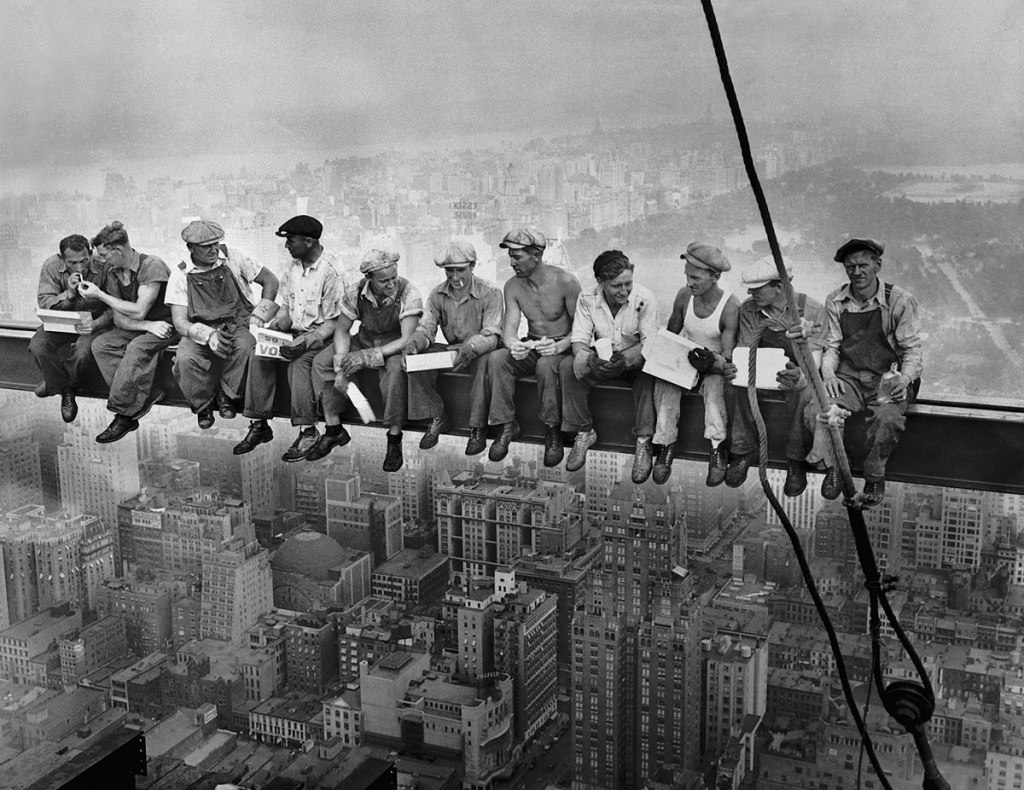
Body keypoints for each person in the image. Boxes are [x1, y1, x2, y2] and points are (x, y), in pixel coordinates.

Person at [806, 238, 923, 507]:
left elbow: (912, 350)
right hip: (850, 377)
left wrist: (904, 380)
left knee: (887, 420)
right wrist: (829, 375)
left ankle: (874, 476)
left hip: (888, 379)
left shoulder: (898, 301)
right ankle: (835, 466)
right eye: (850, 267)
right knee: (823, 409)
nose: (857, 272)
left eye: (862, 265)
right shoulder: (836, 300)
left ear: (877, 265)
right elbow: (832, 346)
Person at [234, 215, 341, 462]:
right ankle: (259, 424)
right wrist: (274, 327)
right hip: (295, 332)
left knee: (299, 364)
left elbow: (335, 321)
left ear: (309, 241)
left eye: (291, 241)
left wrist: (306, 341)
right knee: (259, 354)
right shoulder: (292, 268)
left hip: (322, 338)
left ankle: (308, 430)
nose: (287, 246)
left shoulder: (331, 271)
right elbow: (287, 306)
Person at [310, 248, 423, 471]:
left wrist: (365, 358)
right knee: (322, 362)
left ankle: (394, 437)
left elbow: (406, 338)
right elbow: (342, 331)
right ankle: (334, 428)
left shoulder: (410, 293)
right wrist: (341, 366)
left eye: (393, 278)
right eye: (384, 281)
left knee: (395, 373)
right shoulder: (356, 292)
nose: (391, 284)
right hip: (364, 338)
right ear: (369, 279)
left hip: (393, 345)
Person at [725, 257, 825, 496]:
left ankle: (795, 460)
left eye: (757, 289)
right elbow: (746, 348)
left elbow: (816, 354)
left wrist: (801, 375)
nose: (750, 293)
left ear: (779, 287)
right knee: (737, 385)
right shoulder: (749, 309)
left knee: (802, 391)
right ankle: (743, 450)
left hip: (797, 373)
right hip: (761, 370)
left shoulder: (812, 309)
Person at [166, 219, 279, 429]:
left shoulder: (234, 257)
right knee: (184, 358)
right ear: (191, 248)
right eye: (206, 246)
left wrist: (259, 316)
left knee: (246, 348)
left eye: (216, 244)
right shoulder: (180, 274)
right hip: (201, 329)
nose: (214, 249)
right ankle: (203, 405)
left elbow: (271, 281)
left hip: (238, 323)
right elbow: (180, 321)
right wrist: (208, 336)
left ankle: (227, 395)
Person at [560, 250, 658, 478]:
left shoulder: (644, 298)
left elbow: (649, 343)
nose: (624, 291)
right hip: (603, 359)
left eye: (628, 284)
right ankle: (584, 431)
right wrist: (590, 358)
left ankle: (644, 441)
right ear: (600, 282)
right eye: (616, 286)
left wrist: (625, 360)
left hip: (634, 361)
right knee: (568, 367)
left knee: (649, 373)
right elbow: (579, 339)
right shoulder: (587, 299)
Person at [487, 228, 581, 466]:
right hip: (533, 342)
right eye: (510, 256)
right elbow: (510, 329)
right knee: (498, 359)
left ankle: (553, 430)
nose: (511, 263)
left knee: (546, 366)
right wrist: (514, 345)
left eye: (517, 257)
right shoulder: (513, 286)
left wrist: (560, 346)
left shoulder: (566, 282)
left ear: (536, 255)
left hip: (562, 346)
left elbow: (582, 329)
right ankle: (507, 424)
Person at [651, 243, 740, 486]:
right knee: (666, 382)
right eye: (687, 276)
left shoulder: (730, 307)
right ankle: (666, 442)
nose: (689, 283)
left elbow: (728, 353)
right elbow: (671, 334)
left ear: (715, 277)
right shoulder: (684, 296)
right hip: (687, 358)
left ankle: (717, 446)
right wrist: (666, 360)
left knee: (713, 389)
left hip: (713, 364)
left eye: (695, 278)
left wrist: (712, 362)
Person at [81, 221, 176, 443]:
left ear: (119, 250)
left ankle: (123, 414)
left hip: (166, 325)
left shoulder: (152, 266)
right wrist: (146, 326)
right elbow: (119, 318)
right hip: (145, 326)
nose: (102, 261)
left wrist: (100, 295)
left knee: (136, 348)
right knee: (102, 345)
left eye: (104, 255)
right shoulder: (114, 273)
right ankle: (144, 394)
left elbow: (139, 309)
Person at [404, 241, 502, 454]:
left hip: (480, 349)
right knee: (417, 362)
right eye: (450, 271)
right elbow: (427, 328)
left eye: (460, 270)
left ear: (472, 266)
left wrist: (471, 347)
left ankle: (477, 427)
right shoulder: (438, 294)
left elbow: (492, 334)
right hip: (453, 350)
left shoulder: (490, 292)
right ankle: (436, 415)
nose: (455, 277)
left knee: (484, 363)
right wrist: (414, 344)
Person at [29, 234, 112, 423]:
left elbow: (113, 305)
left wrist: (96, 324)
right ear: (62, 259)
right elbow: (45, 303)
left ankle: (55, 383)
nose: (80, 267)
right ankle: (64, 388)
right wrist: (69, 294)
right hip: (60, 321)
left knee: (83, 352)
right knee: (38, 346)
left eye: (84, 261)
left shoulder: (103, 265)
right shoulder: (51, 266)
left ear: (90, 254)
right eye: (73, 263)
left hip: (93, 321)